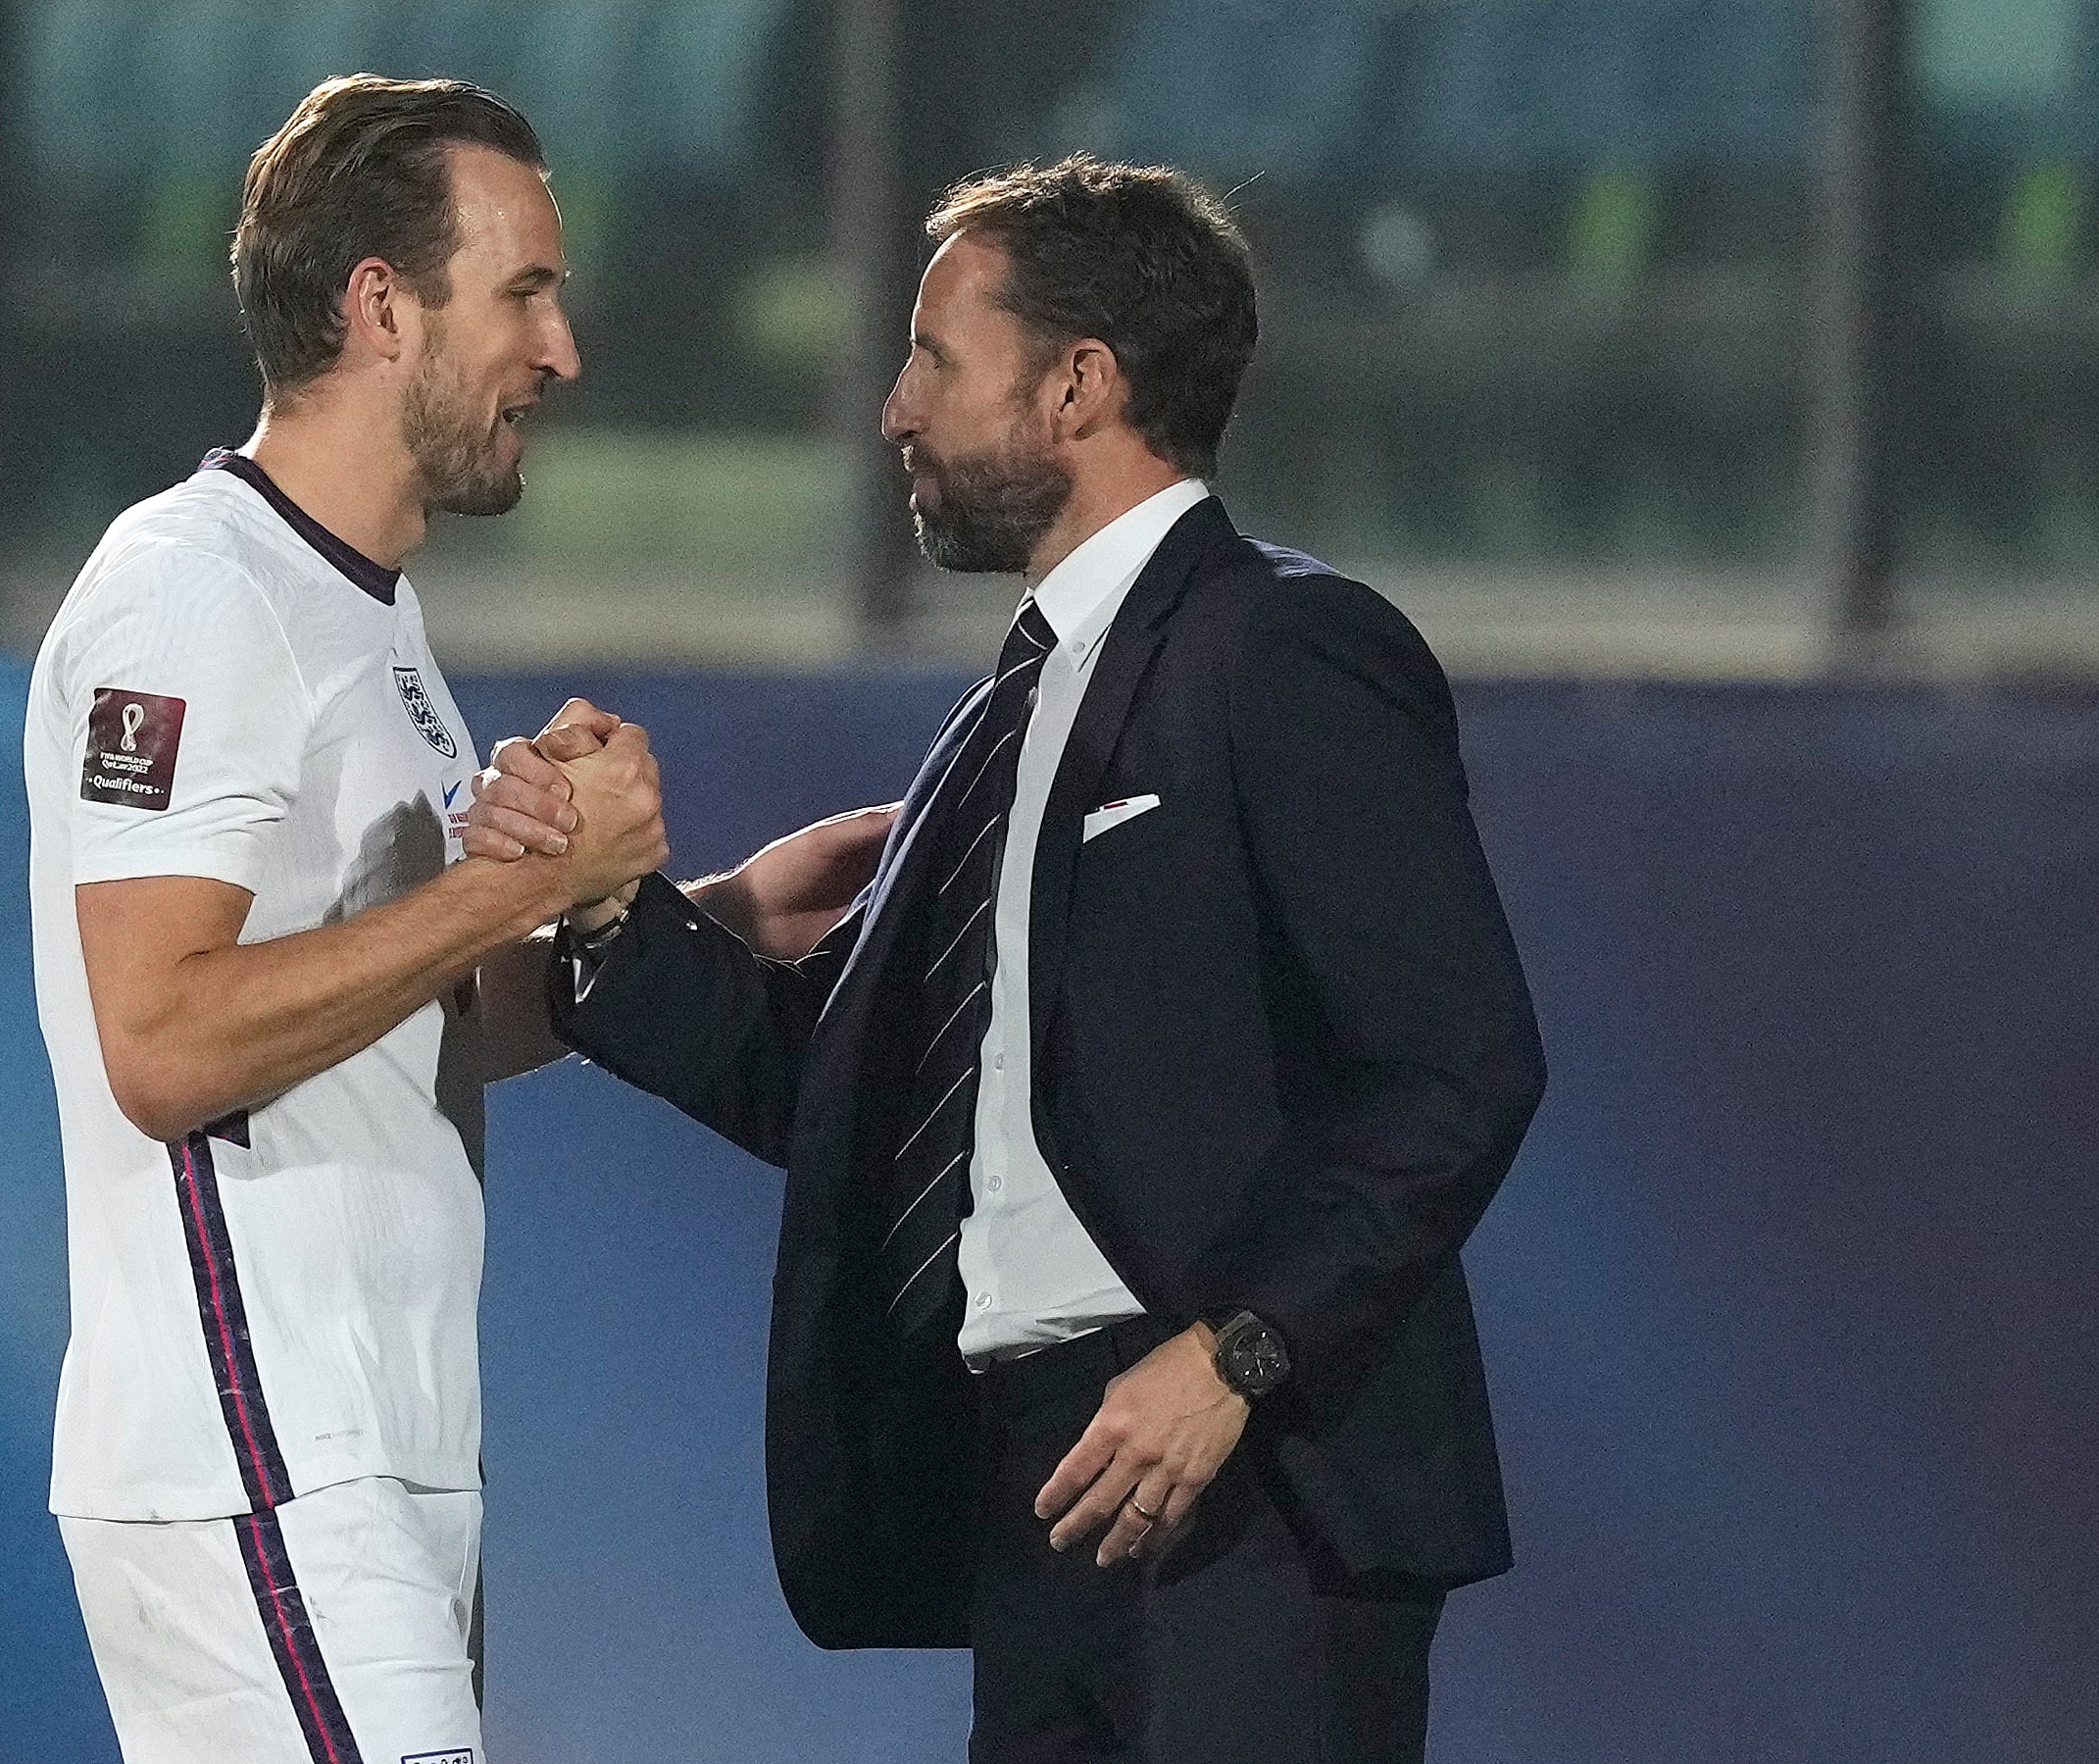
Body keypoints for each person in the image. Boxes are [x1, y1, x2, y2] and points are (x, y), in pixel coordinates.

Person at [476, 156, 1546, 1762]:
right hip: (1037, 1483)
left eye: (931, 359)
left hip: (1243, 1476)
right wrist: (608, 907)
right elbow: (842, 1099)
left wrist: (1238, 1350)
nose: (895, 411)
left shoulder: (1283, 648)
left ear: (1076, 386)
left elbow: (1454, 1067)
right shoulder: (1008, 717)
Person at [23, 75, 877, 1764]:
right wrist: (513, 884)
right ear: (379, 305)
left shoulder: (366, 616)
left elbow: (410, 1028)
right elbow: (165, 1043)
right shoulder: (193, 591)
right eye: (525, 291)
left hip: (378, 1453)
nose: (560, 353)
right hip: (257, 1452)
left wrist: (687, 914)